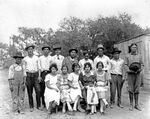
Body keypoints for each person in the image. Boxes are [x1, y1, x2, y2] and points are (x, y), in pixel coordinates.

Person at [125, 43, 144, 111]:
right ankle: (131, 104)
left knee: (137, 89)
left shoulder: (139, 56)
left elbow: (142, 64)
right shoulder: (127, 56)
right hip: (130, 74)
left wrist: (139, 69)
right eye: (133, 47)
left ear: (137, 48)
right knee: (130, 89)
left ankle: (136, 104)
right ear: (130, 48)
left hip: (137, 74)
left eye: (135, 47)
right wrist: (130, 71)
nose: (134, 48)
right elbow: (126, 65)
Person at [23, 44, 41, 112]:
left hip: (36, 75)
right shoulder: (25, 59)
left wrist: (39, 76)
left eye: (31, 49)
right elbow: (24, 69)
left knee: (38, 91)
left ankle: (38, 105)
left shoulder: (36, 58)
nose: (30, 50)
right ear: (27, 51)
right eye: (29, 49)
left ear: (33, 50)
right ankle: (31, 106)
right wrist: (25, 78)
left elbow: (39, 67)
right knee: (29, 91)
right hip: (28, 75)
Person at [38, 45, 52, 110]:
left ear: (49, 51)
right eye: (45, 49)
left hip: (49, 73)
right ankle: (43, 104)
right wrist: (39, 76)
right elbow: (39, 68)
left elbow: (53, 67)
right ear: (43, 51)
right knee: (43, 89)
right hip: (43, 73)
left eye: (47, 49)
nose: (46, 50)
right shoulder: (40, 58)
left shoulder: (51, 58)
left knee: (50, 88)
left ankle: (50, 104)